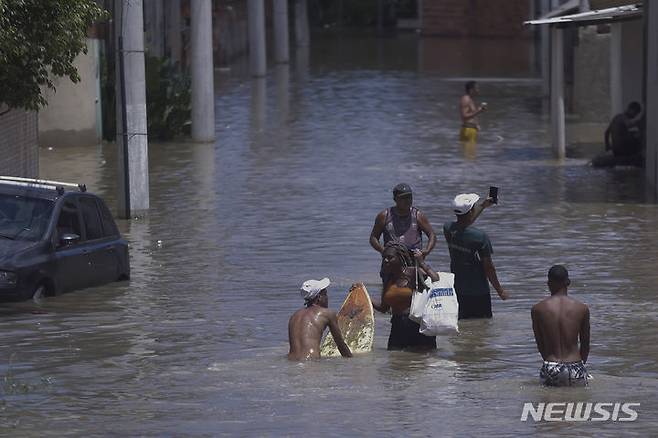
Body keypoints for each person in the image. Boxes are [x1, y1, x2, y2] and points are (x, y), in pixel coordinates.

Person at [443, 193, 509, 319]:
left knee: (462, 326)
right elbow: (489, 267)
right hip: (479, 291)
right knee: (482, 328)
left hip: (458, 289)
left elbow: (464, 223)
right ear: (471, 211)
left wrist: (482, 206)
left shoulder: (448, 229)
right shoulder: (480, 237)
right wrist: (500, 291)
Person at [371, 241, 440, 350]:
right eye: (384, 257)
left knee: (421, 363)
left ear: (400, 258)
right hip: (397, 327)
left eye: (390, 257)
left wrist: (421, 262)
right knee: (395, 361)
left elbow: (436, 279)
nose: (385, 260)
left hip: (418, 326)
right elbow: (384, 308)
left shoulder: (414, 273)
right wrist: (363, 294)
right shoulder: (388, 279)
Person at [531, 265, 590, 387]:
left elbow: (540, 344)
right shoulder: (582, 308)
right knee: (579, 404)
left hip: (551, 365)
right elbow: (585, 344)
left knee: (547, 405)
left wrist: (550, 363)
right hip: (575, 365)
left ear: (548, 283)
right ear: (568, 282)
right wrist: (580, 365)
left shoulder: (538, 309)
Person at [370, 183, 437, 287]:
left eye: (409, 197)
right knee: (390, 295)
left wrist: (426, 251)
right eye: (403, 198)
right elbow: (373, 238)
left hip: (413, 261)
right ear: (395, 199)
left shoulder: (418, 215)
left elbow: (431, 235)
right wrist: (383, 251)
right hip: (391, 263)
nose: (407, 201)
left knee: (416, 292)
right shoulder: (384, 216)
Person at [288, 278, 352, 361]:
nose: (327, 298)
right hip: (312, 362)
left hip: (291, 362)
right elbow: (340, 345)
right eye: (325, 294)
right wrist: (352, 363)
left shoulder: (294, 316)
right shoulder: (327, 313)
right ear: (319, 297)